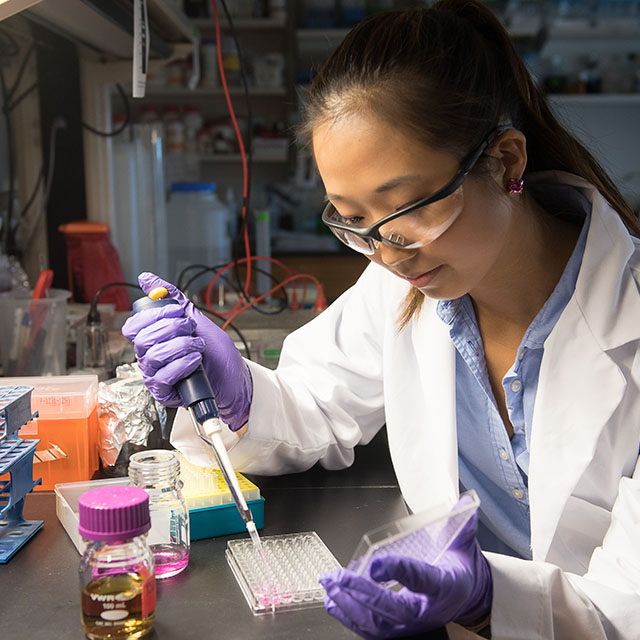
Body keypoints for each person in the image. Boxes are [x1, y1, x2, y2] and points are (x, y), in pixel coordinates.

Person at [122, 0, 640, 637]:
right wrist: (238, 394)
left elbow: (626, 605)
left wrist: (487, 596)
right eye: (354, 220)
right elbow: (317, 406)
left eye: (407, 209)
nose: (388, 253)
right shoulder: (403, 282)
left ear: (505, 162)